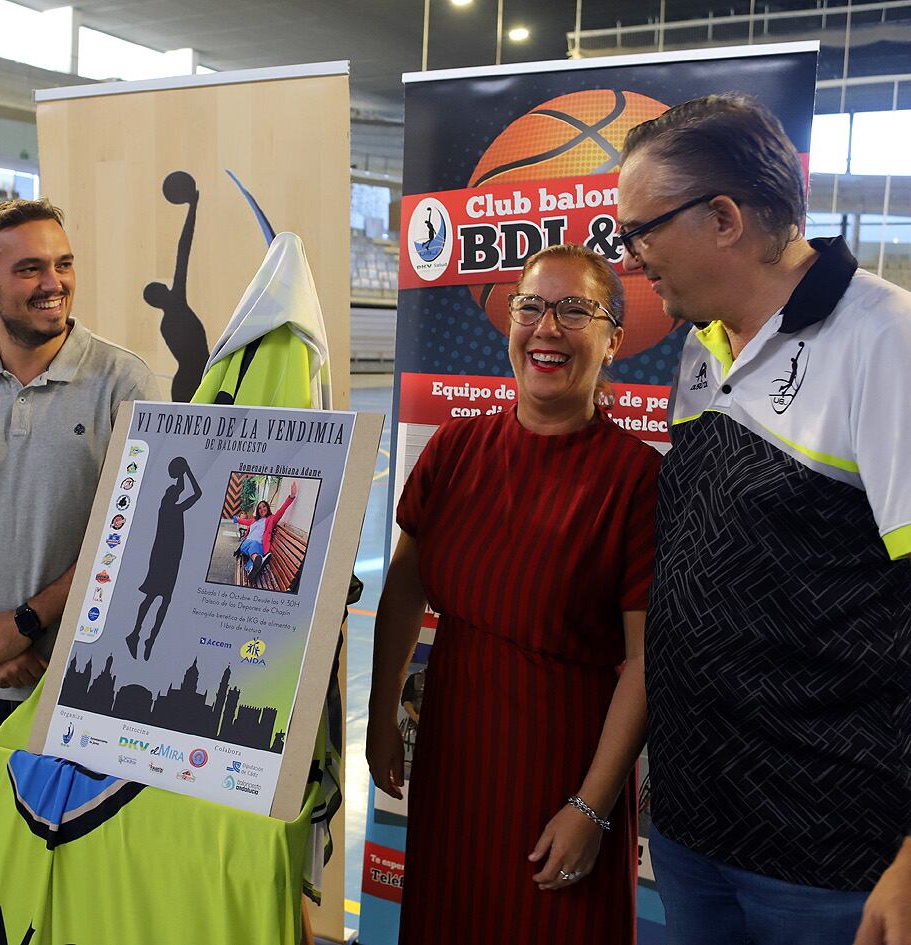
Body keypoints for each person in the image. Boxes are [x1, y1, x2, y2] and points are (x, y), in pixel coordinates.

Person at [617, 92, 911, 945]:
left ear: (722, 219)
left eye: (642, 230)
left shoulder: (884, 343)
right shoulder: (701, 342)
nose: (632, 257)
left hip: (829, 853)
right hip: (693, 828)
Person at [367, 244, 659, 943]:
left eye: (574, 310)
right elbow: (404, 589)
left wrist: (590, 808)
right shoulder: (454, 451)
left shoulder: (637, 480)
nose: (547, 328)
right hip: (454, 766)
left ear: (614, 339)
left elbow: (647, 662)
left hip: (561, 779)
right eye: (529, 306)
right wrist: (381, 714)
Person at [0, 197, 160, 945]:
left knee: (83, 858)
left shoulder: (124, 382)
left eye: (64, 263)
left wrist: (27, 624)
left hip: (82, 680)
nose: (54, 282)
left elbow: (131, 536)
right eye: (31, 268)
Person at [126, 455, 202, 661]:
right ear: (171, 496)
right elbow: (197, 493)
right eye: (175, 492)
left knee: (158, 599)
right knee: (158, 598)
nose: (177, 491)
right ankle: (138, 636)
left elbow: (181, 487)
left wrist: (183, 471)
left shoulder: (170, 507)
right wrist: (186, 470)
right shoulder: (173, 509)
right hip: (164, 559)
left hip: (167, 558)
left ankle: (143, 637)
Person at [231, 483, 296, 582]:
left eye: (264, 507)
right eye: (260, 508)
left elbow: (281, 510)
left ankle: (252, 567)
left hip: (259, 546)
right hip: (246, 543)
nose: (262, 509)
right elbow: (244, 521)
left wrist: (291, 497)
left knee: (255, 546)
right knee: (252, 544)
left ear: (267, 508)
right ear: (258, 511)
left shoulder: (271, 519)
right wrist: (236, 519)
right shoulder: (254, 520)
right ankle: (257, 559)